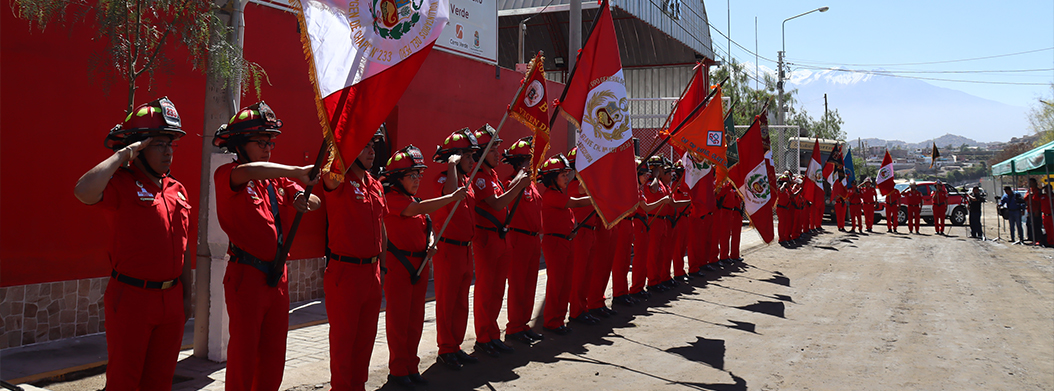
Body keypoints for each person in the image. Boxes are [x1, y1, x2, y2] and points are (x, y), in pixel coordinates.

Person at [74, 97, 192, 391]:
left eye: (171, 144)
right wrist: (122, 154)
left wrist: (187, 296)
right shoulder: (121, 184)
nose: (168, 152)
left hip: (172, 298)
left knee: (160, 381)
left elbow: (184, 246)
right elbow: (82, 191)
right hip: (133, 298)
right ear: (139, 147)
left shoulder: (177, 189)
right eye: (159, 144)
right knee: (125, 381)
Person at [212, 102, 322, 391]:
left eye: (270, 142)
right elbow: (250, 171)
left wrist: (303, 200)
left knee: (274, 355)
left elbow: (314, 200)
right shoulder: (228, 174)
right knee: (244, 355)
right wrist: (297, 170)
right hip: (246, 275)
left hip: (277, 275)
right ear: (240, 144)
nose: (268, 148)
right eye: (261, 142)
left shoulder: (277, 179)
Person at [380, 145, 466, 387]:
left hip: (418, 266)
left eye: (419, 175)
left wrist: (430, 243)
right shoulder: (393, 200)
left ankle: (411, 366)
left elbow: (426, 224)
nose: (417, 180)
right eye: (412, 175)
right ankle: (397, 370)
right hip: (399, 268)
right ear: (398, 178)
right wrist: (450, 198)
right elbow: (417, 210)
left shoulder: (411, 199)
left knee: (415, 320)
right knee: (399, 322)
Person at [322, 130, 387, 391]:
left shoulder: (376, 184)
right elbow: (330, 172)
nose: (372, 151)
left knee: (365, 340)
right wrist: (347, 139)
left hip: (372, 272)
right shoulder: (337, 179)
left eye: (373, 146)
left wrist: (385, 266)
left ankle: (358, 386)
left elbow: (382, 227)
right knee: (343, 341)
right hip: (345, 271)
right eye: (365, 146)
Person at [470, 125, 529, 357]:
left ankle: (492, 334)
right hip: (486, 239)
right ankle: (483, 338)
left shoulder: (492, 175)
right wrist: (519, 185)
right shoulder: (479, 176)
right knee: (486, 291)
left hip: (500, 238)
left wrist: (519, 181)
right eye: (493, 148)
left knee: (497, 291)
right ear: (482, 152)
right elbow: (496, 204)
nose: (498, 153)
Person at [430, 128, 481, 370]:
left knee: (461, 301)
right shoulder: (443, 178)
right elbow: (450, 195)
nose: (472, 161)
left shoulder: (467, 183)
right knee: (447, 301)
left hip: (465, 250)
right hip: (448, 249)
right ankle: (445, 349)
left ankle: (456, 346)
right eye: (468, 157)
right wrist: (451, 166)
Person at [539, 154, 592, 335]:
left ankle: (559, 319)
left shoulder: (559, 194)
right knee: (556, 283)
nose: (566, 178)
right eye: (562, 174)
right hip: (555, 242)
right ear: (552, 178)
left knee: (565, 283)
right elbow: (574, 203)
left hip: (566, 241)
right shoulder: (552, 195)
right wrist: (597, 199)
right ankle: (551, 321)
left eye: (566, 174)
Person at [500, 137, 546, 344]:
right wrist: (521, 179)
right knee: (518, 285)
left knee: (530, 285)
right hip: (518, 238)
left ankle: (524, 324)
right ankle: (514, 327)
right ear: (520, 162)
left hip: (533, 239)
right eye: (529, 160)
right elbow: (507, 197)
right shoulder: (511, 183)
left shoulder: (532, 184)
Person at [566, 148, 602, 324]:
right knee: (579, 274)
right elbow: (585, 187)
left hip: (591, 230)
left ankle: (583, 307)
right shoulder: (575, 185)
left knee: (588, 273)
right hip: (580, 231)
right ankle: (576, 311)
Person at [1025, 178, 1045, 245]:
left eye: (1031, 183)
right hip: (1030, 210)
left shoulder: (1038, 191)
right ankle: (1031, 237)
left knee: (1036, 225)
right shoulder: (1029, 190)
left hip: (1036, 210)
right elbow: (1025, 199)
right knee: (1029, 224)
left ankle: (1038, 239)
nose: (1030, 184)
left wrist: (1037, 210)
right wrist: (1029, 194)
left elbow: (1038, 201)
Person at [776, 174, 793, 244]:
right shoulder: (781, 189)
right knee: (782, 224)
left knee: (786, 224)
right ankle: (781, 239)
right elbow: (781, 190)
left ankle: (785, 237)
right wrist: (784, 185)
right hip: (781, 208)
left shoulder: (786, 190)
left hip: (785, 209)